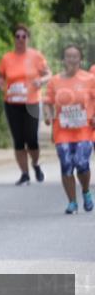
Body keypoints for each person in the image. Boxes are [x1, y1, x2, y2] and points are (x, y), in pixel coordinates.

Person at [43, 45, 95, 214]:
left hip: (85, 130)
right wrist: (48, 115)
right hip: (62, 131)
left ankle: (86, 191)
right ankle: (72, 202)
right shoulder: (55, 81)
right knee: (66, 165)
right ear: (63, 60)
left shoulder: (89, 79)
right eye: (68, 56)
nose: (72, 60)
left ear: (80, 59)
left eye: (75, 56)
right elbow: (48, 102)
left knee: (82, 163)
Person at [0, 24, 50, 185]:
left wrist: (41, 81)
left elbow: (48, 74)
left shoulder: (36, 56)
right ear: (14, 39)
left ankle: (35, 164)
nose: (20, 39)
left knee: (31, 138)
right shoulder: (7, 58)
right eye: (17, 36)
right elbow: (0, 77)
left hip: (31, 102)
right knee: (18, 140)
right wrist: (0, 84)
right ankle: (25, 174)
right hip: (12, 102)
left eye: (23, 36)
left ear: (28, 39)